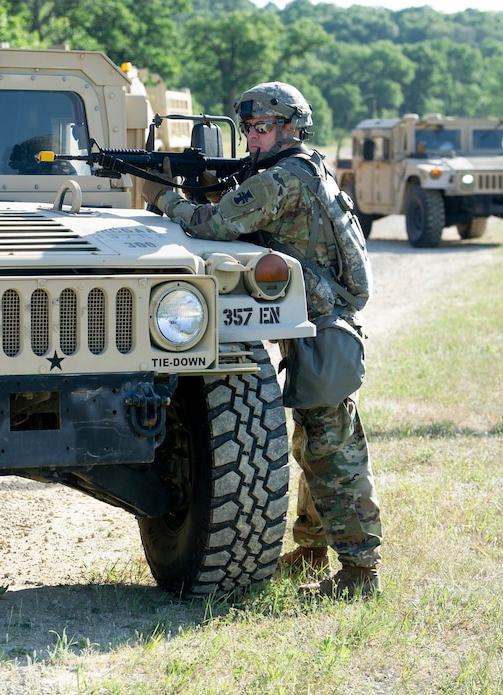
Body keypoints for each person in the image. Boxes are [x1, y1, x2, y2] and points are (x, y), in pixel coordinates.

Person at [141, 81, 383, 600]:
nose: (252, 138)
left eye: (263, 128)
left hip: (321, 326)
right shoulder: (304, 167)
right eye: (248, 128)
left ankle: (361, 572)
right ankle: (314, 548)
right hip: (319, 319)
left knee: (330, 445)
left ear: (291, 128)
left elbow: (216, 223)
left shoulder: (281, 180)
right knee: (312, 436)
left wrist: (163, 197)